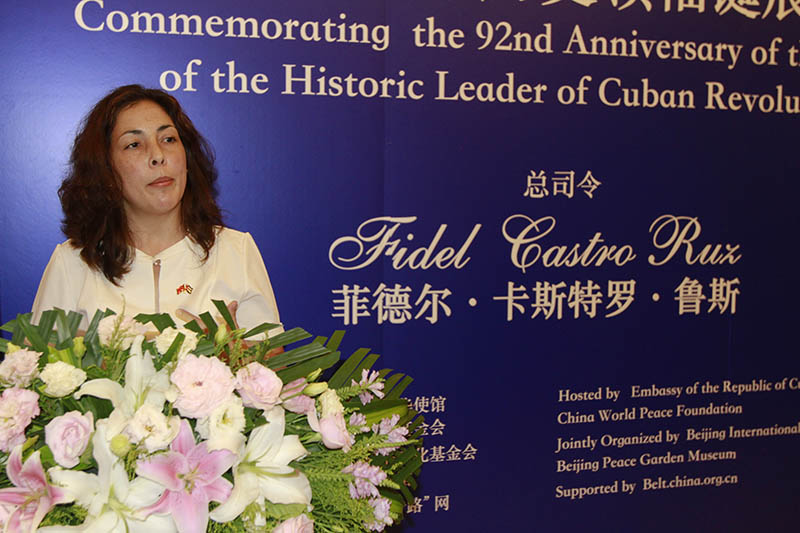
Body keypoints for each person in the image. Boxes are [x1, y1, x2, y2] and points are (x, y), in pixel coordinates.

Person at [31, 85, 282, 336]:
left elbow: (274, 369)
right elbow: (40, 369)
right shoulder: (72, 263)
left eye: (169, 139)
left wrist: (230, 354)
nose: (158, 156)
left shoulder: (235, 251)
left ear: (187, 158)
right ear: (105, 168)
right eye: (134, 144)